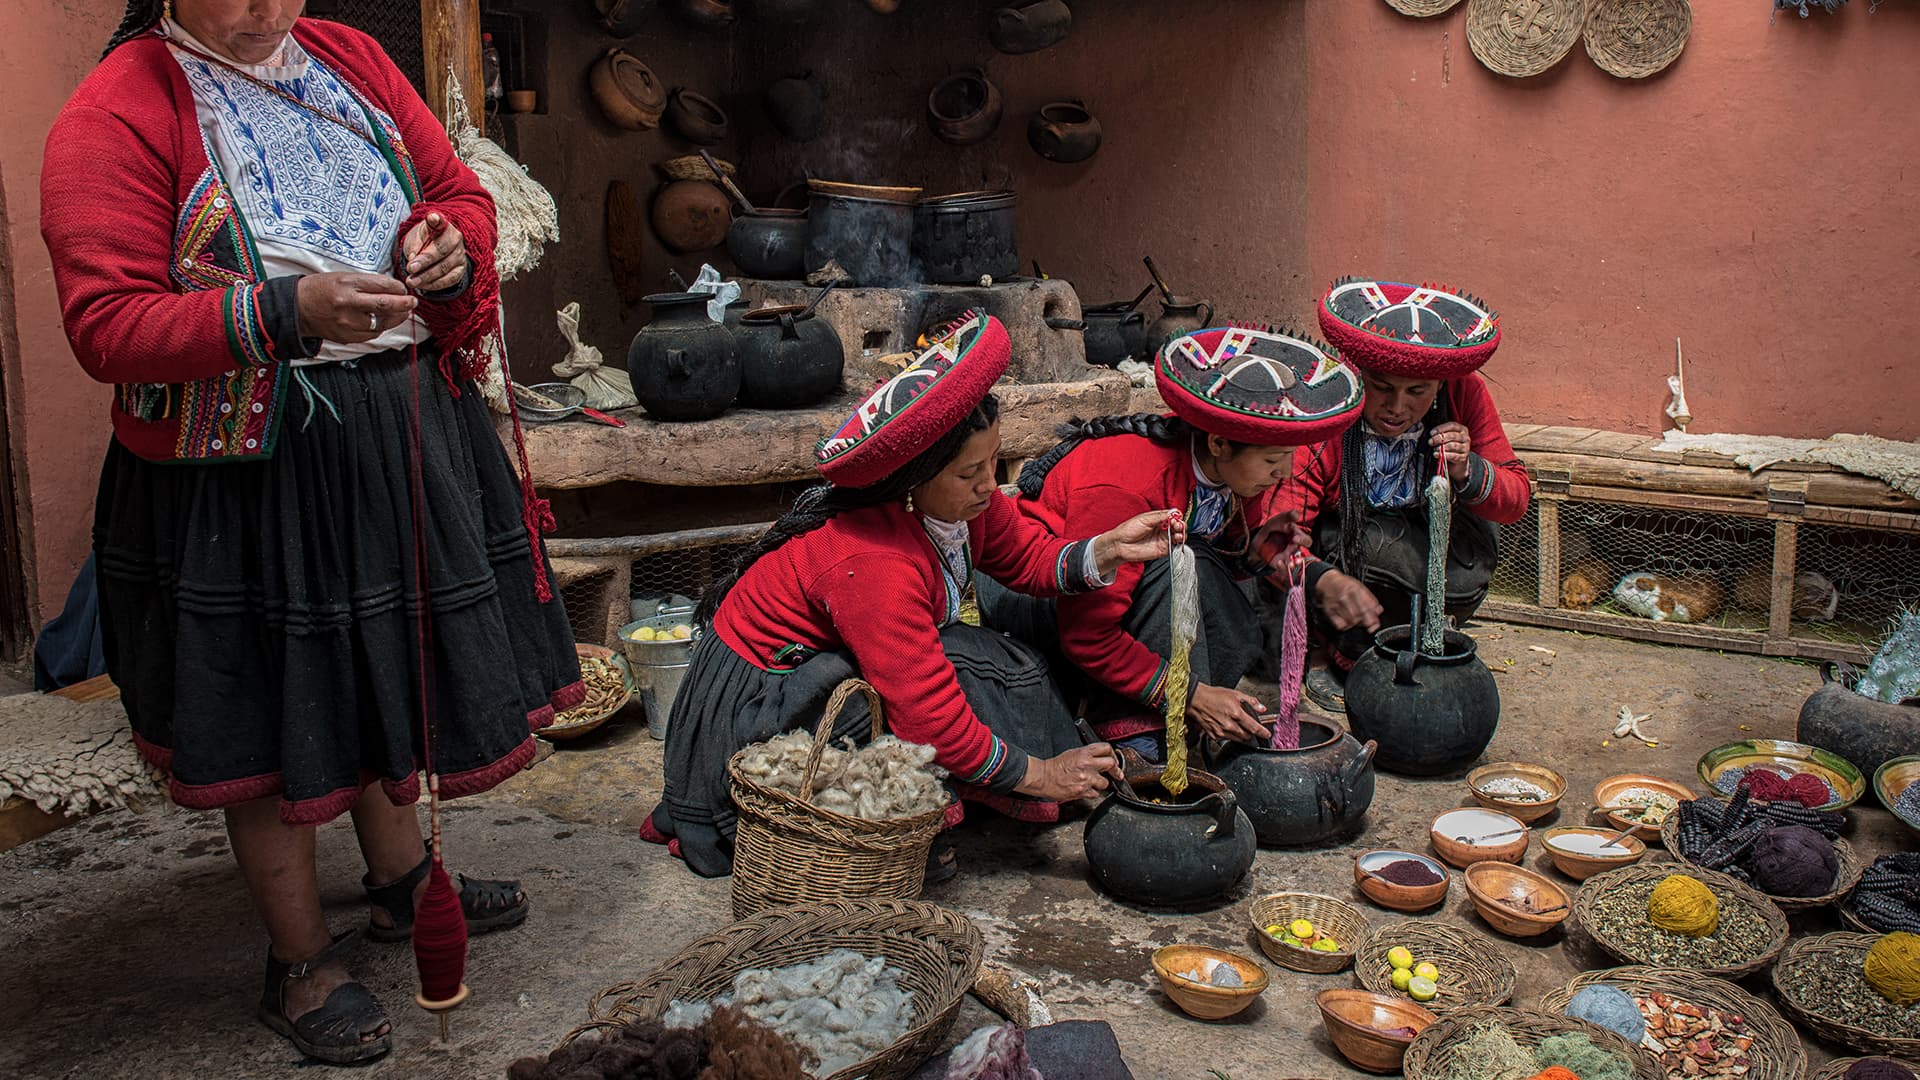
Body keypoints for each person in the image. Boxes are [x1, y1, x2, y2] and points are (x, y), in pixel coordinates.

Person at [40, 1, 580, 1064]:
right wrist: (286, 313)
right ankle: (297, 960)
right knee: (275, 706)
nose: (268, 7)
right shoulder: (117, 110)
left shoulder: (348, 59)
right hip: (246, 469)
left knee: (386, 661)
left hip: (397, 427)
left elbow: (460, 193)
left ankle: (399, 880)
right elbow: (107, 325)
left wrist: (448, 248)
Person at [644, 312, 1185, 876]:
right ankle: (891, 829)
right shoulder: (873, 560)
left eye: (994, 461)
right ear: (913, 480)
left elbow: (1027, 558)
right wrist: (1043, 774)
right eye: (970, 473)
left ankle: (982, 789)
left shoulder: (963, 507)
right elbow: (929, 717)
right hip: (758, 709)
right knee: (948, 672)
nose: (989, 484)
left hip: (815, 675)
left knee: (988, 657)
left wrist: (1109, 549)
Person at [983, 325, 1365, 758]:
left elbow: (1220, 555)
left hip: (1120, 596)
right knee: (1176, 562)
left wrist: (1255, 549)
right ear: (1219, 443)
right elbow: (1087, 635)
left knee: (1210, 583)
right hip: (1038, 596)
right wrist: (1190, 693)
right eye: (1274, 459)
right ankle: (1135, 738)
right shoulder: (1128, 487)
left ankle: (1178, 721)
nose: (1285, 472)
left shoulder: (1236, 476)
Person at [1260, 277, 1531, 713]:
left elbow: (1515, 498)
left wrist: (1467, 469)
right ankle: (1327, 651)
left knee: (1461, 560)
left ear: (1440, 385)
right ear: (1357, 373)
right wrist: (1323, 579)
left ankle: (1414, 638)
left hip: (1425, 546)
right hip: (1346, 548)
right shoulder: (1329, 402)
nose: (1397, 407)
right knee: (1352, 553)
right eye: (1381, 386)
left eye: (1417, 392)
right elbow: (1274, 534)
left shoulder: (1465, 390)